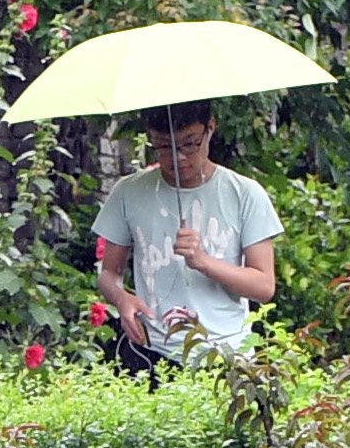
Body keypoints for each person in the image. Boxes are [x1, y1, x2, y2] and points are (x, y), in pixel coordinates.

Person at [91, 102, 283, 360]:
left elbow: (264, 285)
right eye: (163, 146)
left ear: (210, 129)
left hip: (228, 354)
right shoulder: (128, 192)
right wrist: (121, 298)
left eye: (189, 144)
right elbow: (108, 274)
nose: (178, 157)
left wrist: (204, 262)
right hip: (153, 351)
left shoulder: (245, 194)